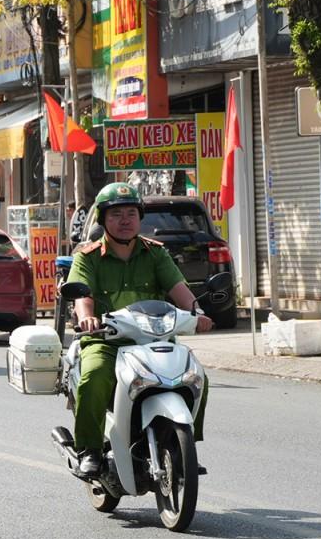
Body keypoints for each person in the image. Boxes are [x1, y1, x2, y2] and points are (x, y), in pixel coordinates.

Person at [66, 182, 212, 480]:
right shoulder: (88, 256)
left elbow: (179, 290)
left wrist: (197, 313)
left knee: (197, 378)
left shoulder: (156, 253)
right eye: (116, 214)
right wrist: (87, 318)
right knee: (93, 377)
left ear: (140, 217)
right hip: (106, 340)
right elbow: (83, 297)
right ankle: (90, 450)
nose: (125, 220)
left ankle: (186, 446)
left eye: (131, 213)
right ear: (103, 219)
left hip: (153, 339)